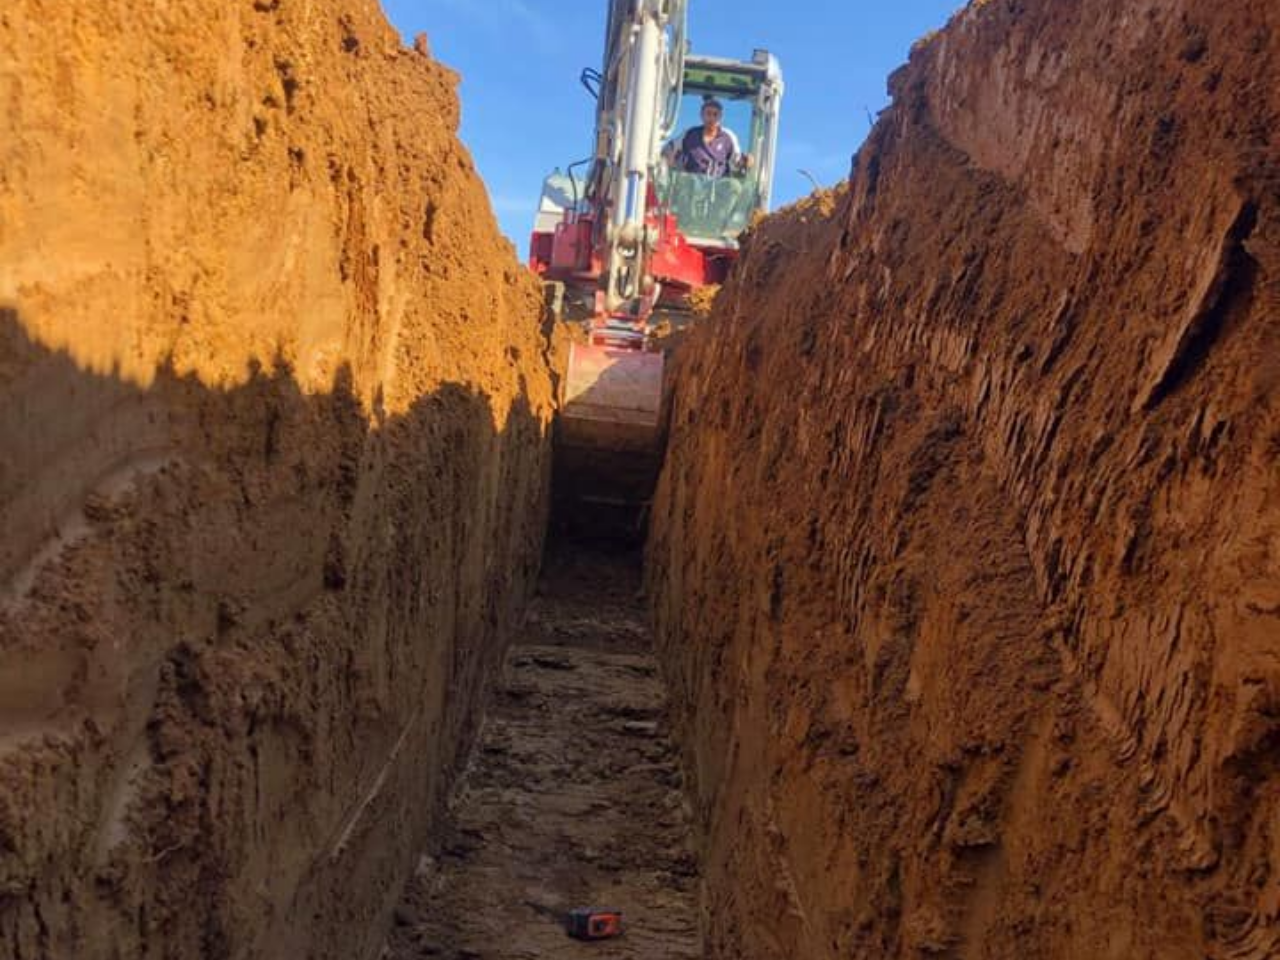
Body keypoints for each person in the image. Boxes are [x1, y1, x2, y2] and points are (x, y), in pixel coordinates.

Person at [663, 97, 753, 178]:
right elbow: (669, 148)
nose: (711, 118)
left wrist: (746, 161)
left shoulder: (728, 137)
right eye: (708, 113)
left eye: (715, 114)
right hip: (690, 187)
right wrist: (669, 158)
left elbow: (736, 161)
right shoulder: (690, 134)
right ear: (702, 115)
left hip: (717, 189)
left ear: (720, 117)